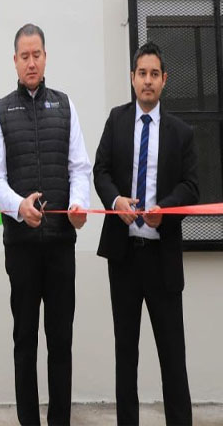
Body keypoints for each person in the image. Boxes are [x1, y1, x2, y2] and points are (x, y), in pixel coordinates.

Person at [0, 23, 91, 425]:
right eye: (24, 56)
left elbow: (79, 167)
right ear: (14, 61)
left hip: (62, 244)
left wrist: (78, 203)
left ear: (45, 57)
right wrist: (18, 206)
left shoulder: (65, 106)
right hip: (22, 248)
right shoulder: (1, 111)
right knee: (25, 340)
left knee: (60, 342)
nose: (31, 62)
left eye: (37, 54)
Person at [94, 41, 198, 425]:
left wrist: (164, 210)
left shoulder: (181, 132)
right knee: (127, 356)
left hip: (162, 258)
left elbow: (191, 187)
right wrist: (115, 200)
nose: (148, 81)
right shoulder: (116, 121)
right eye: (142, 74)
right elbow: (100, 171)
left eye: (155, 74)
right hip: (124, 258)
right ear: (133, 78)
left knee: (173, 356)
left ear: (164, 80)